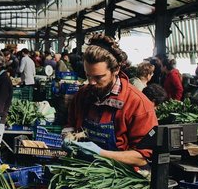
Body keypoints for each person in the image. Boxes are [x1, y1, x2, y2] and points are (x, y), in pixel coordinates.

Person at [66, 34, 158, 167]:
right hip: (83, 168)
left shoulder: (138, 104)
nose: (90, 82)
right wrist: (67, 137)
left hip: (118, 176)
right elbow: (71, 124)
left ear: (116, 70)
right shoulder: (83, 94)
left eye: (98, 77)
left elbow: (143, 157)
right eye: (88, 75)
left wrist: (101, 153)